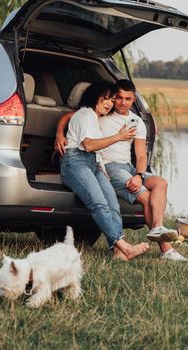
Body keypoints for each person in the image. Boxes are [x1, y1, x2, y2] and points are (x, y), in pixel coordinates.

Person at [56, 80, 188, 262]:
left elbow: (141, 155)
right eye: (114, 98)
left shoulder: (130, 120)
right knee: (141, 199)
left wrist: (139, 176)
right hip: (99, 163)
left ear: (134, 99)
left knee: (157, 185)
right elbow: (73, 124)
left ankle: (149, 233)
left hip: (104, 164)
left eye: (127, 99)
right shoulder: (93, 114)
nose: (117, 102)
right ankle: (162, 249)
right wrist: (59, 134)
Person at [59, 80, 150, 261]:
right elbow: (88, 144)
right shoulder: (85, 115)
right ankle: (124, 246)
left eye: (111, 100)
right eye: (106, 99)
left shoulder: (95, 117)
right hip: (75, 162)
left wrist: (100, 166)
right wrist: (119, 137)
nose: (109, 103)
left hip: (94, 163)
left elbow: (94, 150)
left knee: (112, 205)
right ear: (95, 97)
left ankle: (118, 252)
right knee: (99, 203)